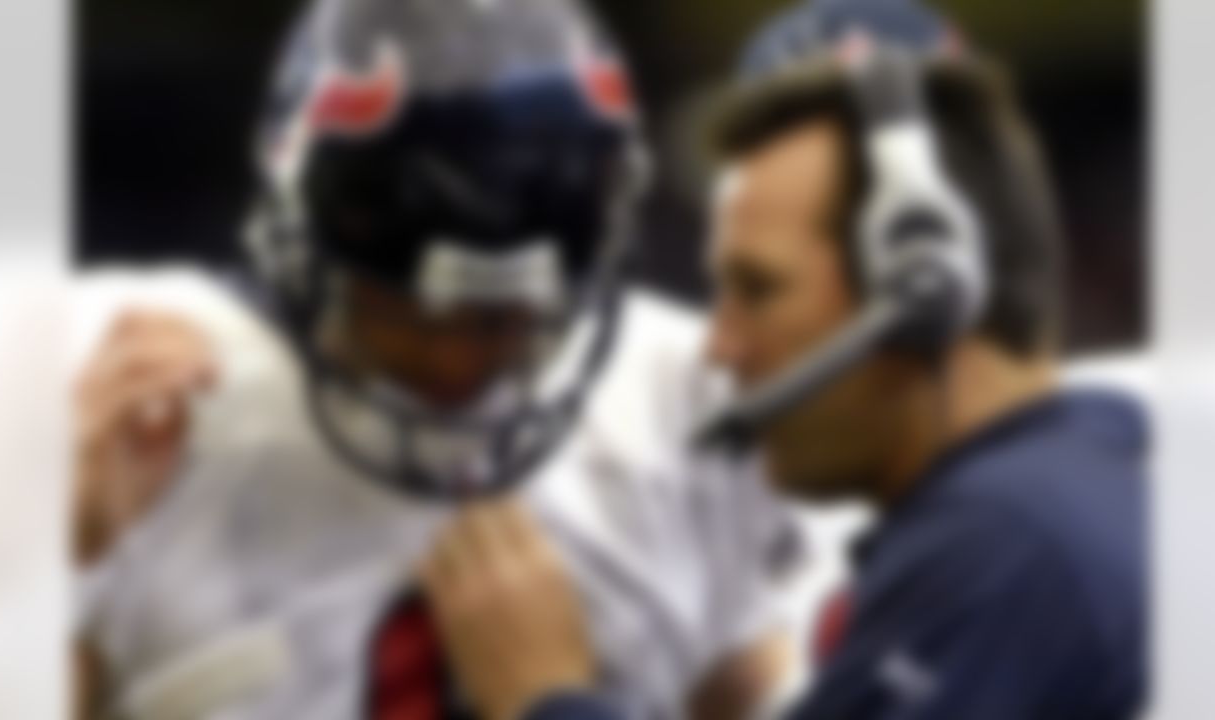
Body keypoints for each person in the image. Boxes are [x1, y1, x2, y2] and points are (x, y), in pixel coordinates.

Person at [411, 6, 1147, 720]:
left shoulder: (1005, 544)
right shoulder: (1075, 488)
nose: (718, 346)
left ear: (925, 287)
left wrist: (544, 696)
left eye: (757, 290)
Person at [71, 1, 802, 718]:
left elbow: (765, 689)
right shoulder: (120, 392)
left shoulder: (686, 395)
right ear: (303, 237)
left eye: (506, 320)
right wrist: (50, 562)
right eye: (412, 315)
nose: (457, 361)